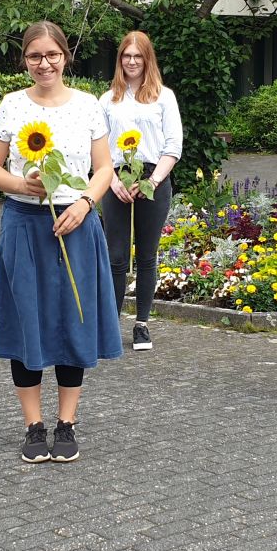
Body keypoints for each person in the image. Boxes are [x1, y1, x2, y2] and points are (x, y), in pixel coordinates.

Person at [0, 21, 122, 463]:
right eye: (35, 56)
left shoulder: (87, 107)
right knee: (27, 322)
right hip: (25, 225)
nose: (44, 64)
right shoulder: (12, 106)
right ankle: (32, 425)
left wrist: (83, 203)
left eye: (52, 55)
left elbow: (104, 168)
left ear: (65, 56)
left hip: (77, 225)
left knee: (71, 320)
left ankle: (66, 422)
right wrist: (22, 187)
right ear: (25, 60)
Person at [99, 31, 183, 351]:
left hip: (153, 178)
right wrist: (112, 181)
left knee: (147, 254)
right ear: (120, 59)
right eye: (126, 56)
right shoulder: (108, 100)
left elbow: (173, 146)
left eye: (138, 56)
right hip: (116, 178)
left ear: (148, 59)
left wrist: (152, 181)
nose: (132, 61)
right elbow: (99, 148)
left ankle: (142, 324)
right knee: (116, 256)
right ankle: (111, 324)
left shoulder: (164, 97)